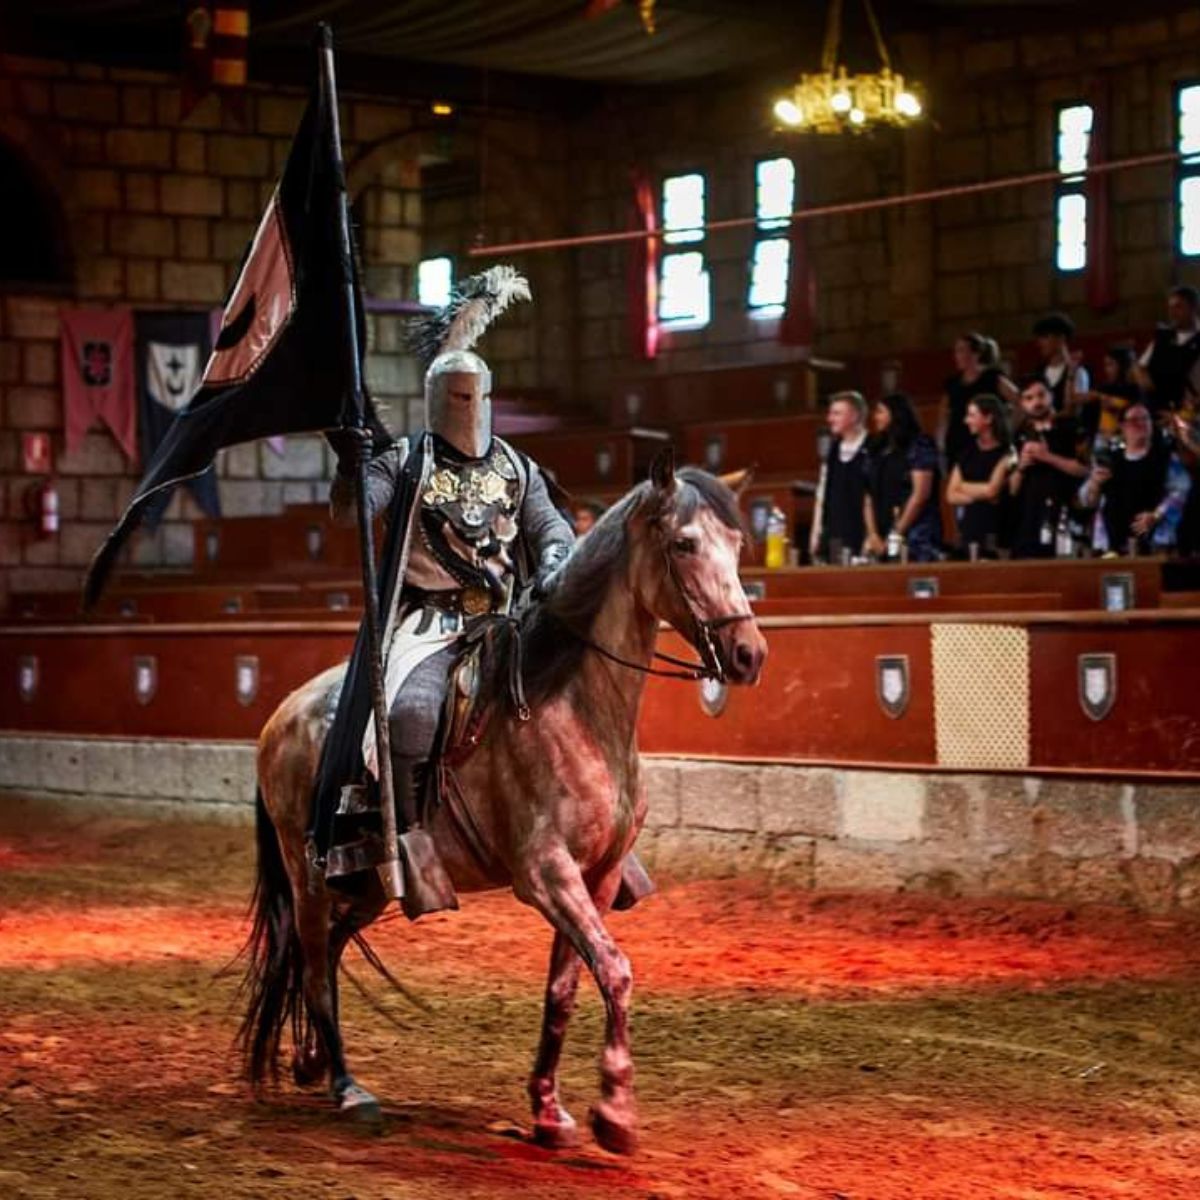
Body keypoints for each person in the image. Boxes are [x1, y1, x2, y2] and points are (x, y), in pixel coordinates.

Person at [316, 266, 576, 915]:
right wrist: (352, 467)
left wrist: (552, 558)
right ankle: (409, 841)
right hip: (430, 624)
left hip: (508, 619)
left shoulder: (515, 465)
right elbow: (353, 513)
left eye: (477, 395)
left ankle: (599, 831)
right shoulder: (405, 460)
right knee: (410, 713)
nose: (470, 406)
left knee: (577, 693)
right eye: (459, 396)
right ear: (439, 398)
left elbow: (551, 527)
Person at [1079, 404, 1190, 554]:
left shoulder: (1166, 457)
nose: (1141, 423)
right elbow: (1086, 501)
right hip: (1112, 544)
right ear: (1122, 426)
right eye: (1134, 420)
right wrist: (1095, 484)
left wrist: (1157, 515)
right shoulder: (1110, 460)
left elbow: (1182, 491)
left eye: (1145, 419)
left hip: (1156, 541)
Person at [1009, 376, 1089, 558]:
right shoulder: (1019, 434)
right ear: (1022, 403)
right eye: (1029, 398)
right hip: (1030, 518)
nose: (1036, 402)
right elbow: (1012, 489)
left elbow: (1084, 469)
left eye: (1041, 395)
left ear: (1051, 395)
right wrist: (1021, 467)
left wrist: (1048, 457)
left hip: (1065, 514)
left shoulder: (1072, 427)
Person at [863, 392, 942, 562]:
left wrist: (896, 533)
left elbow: (920, 494)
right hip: (881, 534)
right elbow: (868, 494)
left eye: (880, 411)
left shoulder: (919, 445)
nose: (875, 417)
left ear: (895, 414)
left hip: (915, 535)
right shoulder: (876, 449)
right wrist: (873, 534)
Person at [945, 394, 1012, 557]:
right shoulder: (966, 453)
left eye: (972, 415)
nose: (966, 421)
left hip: (997, 532)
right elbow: (951, 495)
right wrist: (982, 495)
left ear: (988, 418)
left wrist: (963, 486)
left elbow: (992, 491)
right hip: (968, 532)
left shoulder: (1007, 453)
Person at [940, 332, 1017, 468]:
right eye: (956, 351)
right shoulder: (953, 384)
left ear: (976, 354)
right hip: (958, 444)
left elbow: (1020, 401)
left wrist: (1008, 428)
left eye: (962, 350)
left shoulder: (992, 378)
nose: (957, 356)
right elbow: (944, 415)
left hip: (987, 444)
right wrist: (940, 440)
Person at [809, 390, 869, 563]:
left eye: (837, 413)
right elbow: (822, 494)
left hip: (862, 535)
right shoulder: (832, 452)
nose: (830, 419)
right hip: (834, 535)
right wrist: (816, 533)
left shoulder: (872, 448)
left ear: (854, 416)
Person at [1133, 285, 1200, 415]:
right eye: (1170, 308)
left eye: (1178, 307)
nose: (1172, 313)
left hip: (1189, 412)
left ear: (1194, 308)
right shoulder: (1164, 336)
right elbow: (1140, 367)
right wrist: (1146, 383)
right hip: (1157, 409)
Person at [1073, 344, 1142, 446]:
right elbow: (1076, 399)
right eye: (1106, 365)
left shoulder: (1136, 391)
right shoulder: (1104, 388)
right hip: (1102, 442)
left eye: (1111, 364)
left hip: (1127, 441)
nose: (1107, 369)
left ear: (1123, 365)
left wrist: (1116, 406)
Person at [1032, 312, 1089, 415]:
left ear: (1061, 338)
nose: (1040, 342)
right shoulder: (1038, 372)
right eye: (1039, 338)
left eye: (1045, 337)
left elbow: (1075, 411)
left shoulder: (1078, 372)